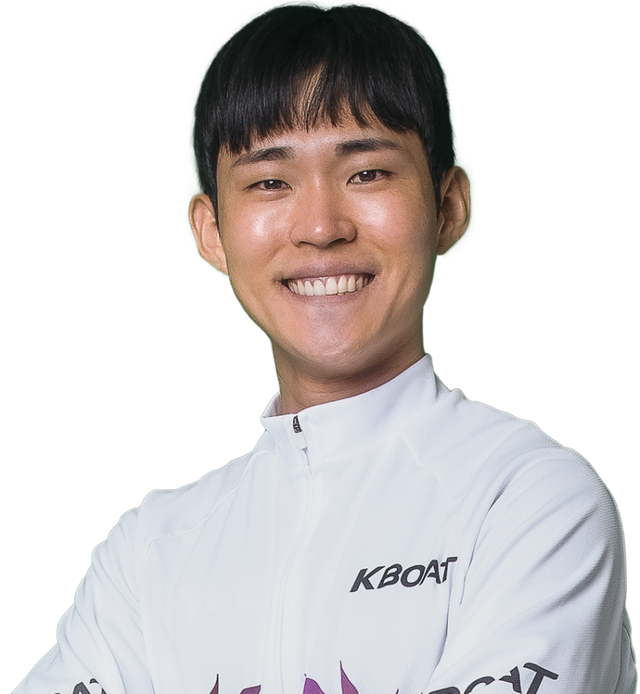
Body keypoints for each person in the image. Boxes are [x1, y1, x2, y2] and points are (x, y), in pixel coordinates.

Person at [11, 1, 637, 693]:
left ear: (448, 207)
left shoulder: (529, 500)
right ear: (211, 233)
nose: (319, 226)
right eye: (269, 182)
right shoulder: (150, 551)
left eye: (366, 173)